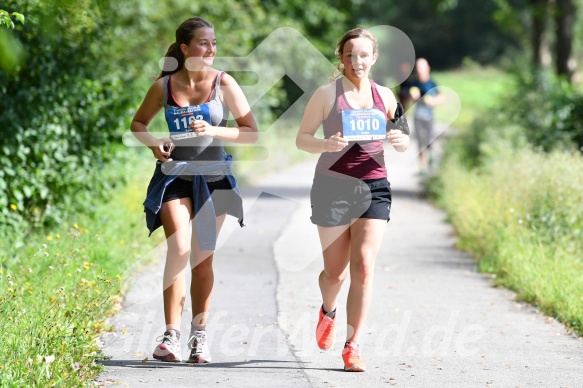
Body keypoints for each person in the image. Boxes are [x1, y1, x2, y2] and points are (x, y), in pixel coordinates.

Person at [130, 16, 258, 364]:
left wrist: (216, 131)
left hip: (214, 178)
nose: (212, 49)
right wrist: (154, 143)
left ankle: (198, 337)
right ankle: (170, 336)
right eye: (204, 43)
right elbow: (138, 123)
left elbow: (251, 131)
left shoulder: (224, 83)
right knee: (180, 250)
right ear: (185, 48)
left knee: (202, 261)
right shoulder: (164, 86)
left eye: (214, 43)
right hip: (174, 176)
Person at [295, 27, 410, 372]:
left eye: (363, 55)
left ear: (373, 58)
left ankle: (353, 345)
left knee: (363, 264)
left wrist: (399, 139)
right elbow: (302, 139)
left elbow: (403, 133)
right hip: (332, 186)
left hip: (374, 185)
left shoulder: (385, 95)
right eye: (350, 54)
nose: (356, 61)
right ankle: (328, 309)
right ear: (341, 57)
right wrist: (325, 144)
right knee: (335, 274)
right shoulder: (327, 95)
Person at [410, 57, 444, 173]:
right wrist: (412, 96)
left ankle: (430, 158)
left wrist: (433, 101)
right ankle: (422, 166)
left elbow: (441, 97)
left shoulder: (432, 83)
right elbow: (406, 97)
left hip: (429, 116)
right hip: (418, 116)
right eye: (418, 67)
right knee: (420, 141)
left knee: (429, 141)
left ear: (428, 68)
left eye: (422, 67)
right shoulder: (414, 83)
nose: (420, 70)